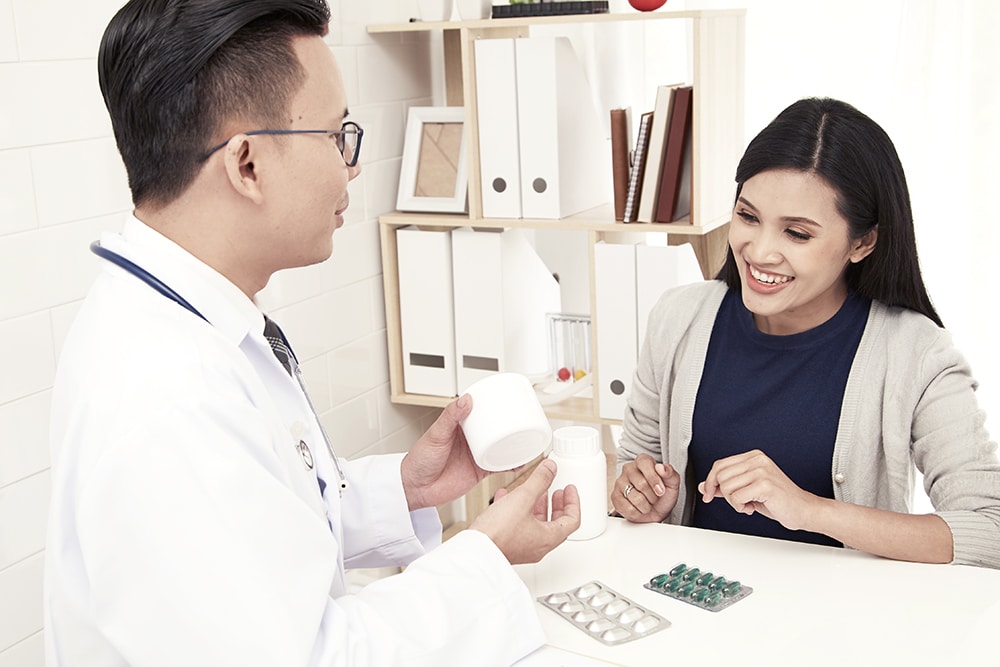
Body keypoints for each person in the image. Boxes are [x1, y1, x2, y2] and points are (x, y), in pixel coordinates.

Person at [44, 1, 581, 664]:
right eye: (335, 136)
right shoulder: (165, 395)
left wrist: (407, 488)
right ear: (246, 164)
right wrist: (487, 554)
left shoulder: (190, 323)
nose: (350, 165)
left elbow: (259, 530)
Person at [611, 97, 1000, 569]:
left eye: (797, 233)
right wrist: (640, 497)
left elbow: (988, 528)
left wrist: (810, 511)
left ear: (863, 242)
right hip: (695, 607)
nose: (760, 252)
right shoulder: (678, 318)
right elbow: (632, 470)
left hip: (836, 626)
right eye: (748, 217)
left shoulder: (915, 353)